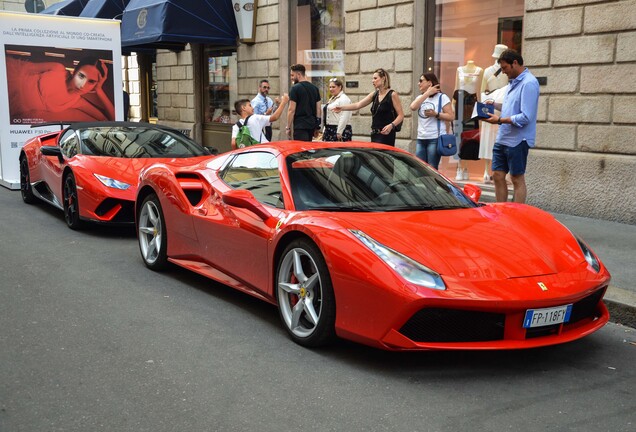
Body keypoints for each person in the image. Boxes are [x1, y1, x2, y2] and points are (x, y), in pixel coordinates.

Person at [482, 49, 539, 204]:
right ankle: (502, 211)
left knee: (516, 178)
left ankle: (517, 214)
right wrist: (494, 104)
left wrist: (500, 120)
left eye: (505, 68)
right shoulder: (512, 83)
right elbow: (510, 107)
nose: (504, 72)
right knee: (498, 175)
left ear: (515, 63)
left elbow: (526, 116)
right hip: (503, 137)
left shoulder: (529, 83)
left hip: (518, 140)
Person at [6, 55, 115, 124]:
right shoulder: (57, 69)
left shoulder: (77, 102)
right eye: (81, 76)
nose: (82, 85)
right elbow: (25, 69)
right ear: (74, 71)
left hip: (15, 108)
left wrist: (99, 90)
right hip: (10, 84)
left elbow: (111, 119)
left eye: (91, 81)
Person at [333, 68, 404, 146]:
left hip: (387, 134)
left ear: (383, 78)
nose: (372, 81)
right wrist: (342, 108)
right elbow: (358, 105)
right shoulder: (374, 94)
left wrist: (391, 125)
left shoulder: (392, 94)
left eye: (375, 78)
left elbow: (401, 115)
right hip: (374, 134)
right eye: (372, 78)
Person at [409, 73, 454, 170]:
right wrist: (427, 93)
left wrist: (436, 114)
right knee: (420, 168)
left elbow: (451, 116)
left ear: (429, 83)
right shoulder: (421, 98)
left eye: (421, 81)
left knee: (432, 168)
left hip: (435, 138)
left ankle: (433, 185)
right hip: (421, 138)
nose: (418, 83)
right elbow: (412, 107)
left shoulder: (442, 97)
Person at [478, 44, 509, 183]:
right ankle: (493, 171)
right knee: (498, 138)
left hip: (491, 104)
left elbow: (483, 91)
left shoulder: (487, 71)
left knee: (489, 138)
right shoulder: (505, 71)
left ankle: (487, 171)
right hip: (502, 104)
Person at [453, 60, 483, 180]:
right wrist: (452, 103)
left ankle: (466, 167)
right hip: (460, 104)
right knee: (459, 135)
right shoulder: (459, 70)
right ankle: (459, 167)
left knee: (471, 135)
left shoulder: (479, 70)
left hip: (472, 105)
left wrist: (481, 109)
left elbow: (480, 90)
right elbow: (456, 88)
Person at [287, 64, 321, 142]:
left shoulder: (294, 88)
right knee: (308, 150)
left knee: (300, 151)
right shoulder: (315, 88)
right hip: (311, 125)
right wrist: (317, 126)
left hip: (300, 125)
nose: (291, 78)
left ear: (298, 74)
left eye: (292, 75)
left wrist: (288, 127)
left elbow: (291, 110)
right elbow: (318, 109)